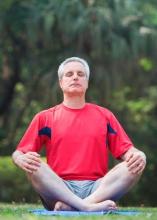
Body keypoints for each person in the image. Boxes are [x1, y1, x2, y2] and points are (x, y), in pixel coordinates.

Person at [12, 57, 146, 211]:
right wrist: (20, 159)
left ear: (87, 83)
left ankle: (77, 206)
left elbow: (128, 151)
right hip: (59, 189)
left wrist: (139, 155)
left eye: (80, 74)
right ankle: (87, 207)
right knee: (34, 166)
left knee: (135, 165)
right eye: (69, 74)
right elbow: (19, 153)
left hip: (98, 189)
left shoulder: (105, 116)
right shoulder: (45, 118)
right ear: (61, 83)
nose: (75, 77)